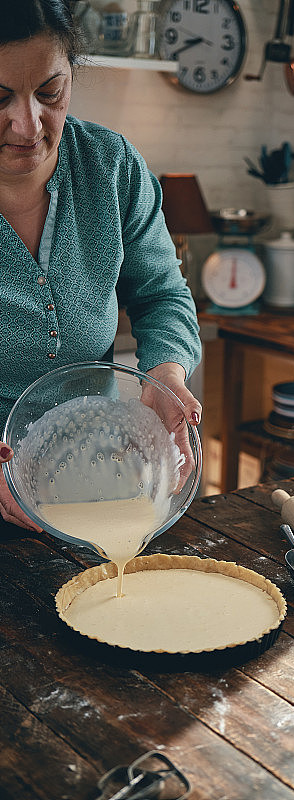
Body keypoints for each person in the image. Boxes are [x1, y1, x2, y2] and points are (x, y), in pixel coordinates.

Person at [0, 0, 202, 532]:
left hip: (98, 480)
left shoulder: (108, 168)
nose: (28, 124)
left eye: (50, 93)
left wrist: (163, 374)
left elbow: (162, 294)